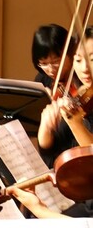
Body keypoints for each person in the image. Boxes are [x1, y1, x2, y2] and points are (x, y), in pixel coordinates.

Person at [38, 27, 93, 167]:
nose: (85, 68)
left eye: (92, 59)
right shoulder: (80, 97)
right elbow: (52, 161)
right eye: (78, 60)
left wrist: (76, 124)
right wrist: (46, 129)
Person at [31, 23, 74, 91]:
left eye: (56, 61)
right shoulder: (42, 79)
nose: (51, 70)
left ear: (71, 53)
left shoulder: (83, 76)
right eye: (44, 63)